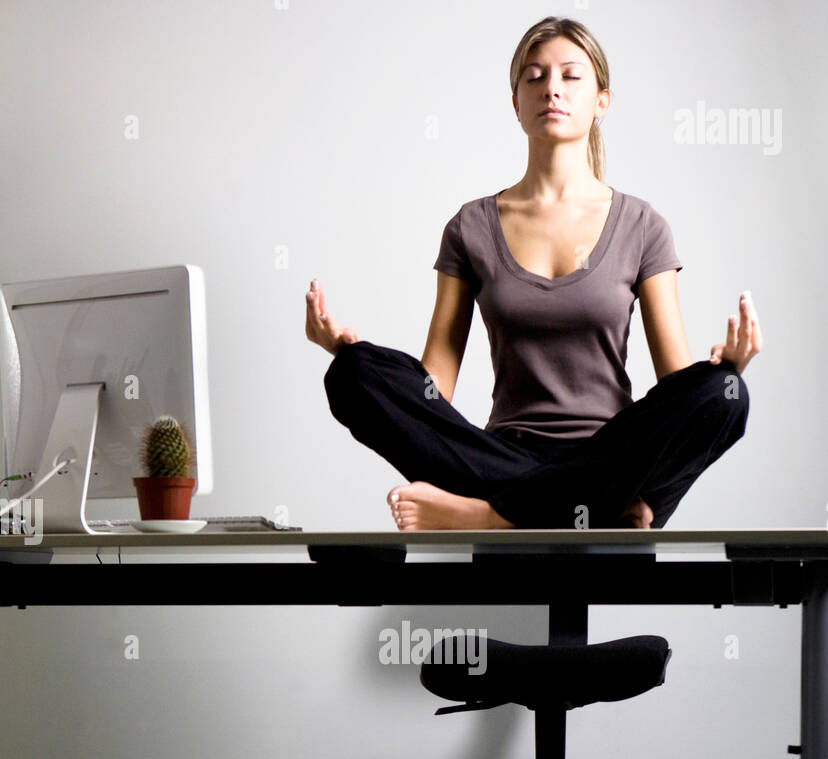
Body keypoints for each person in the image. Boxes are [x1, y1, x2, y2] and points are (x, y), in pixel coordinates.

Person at [304, 16, 762, 531]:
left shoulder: (642, 225)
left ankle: (492, 517)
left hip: (612, 454)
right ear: (516, 103)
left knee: (724, 395)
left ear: (601, 102)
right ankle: (589, 512)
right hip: (495, 458)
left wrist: (726, 370)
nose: (552, 89)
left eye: (571, 76)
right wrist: (353, 353)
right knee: (352, 375)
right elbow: (435, 388)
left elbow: (675, 385)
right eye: (535, 77)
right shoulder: (470, 227)